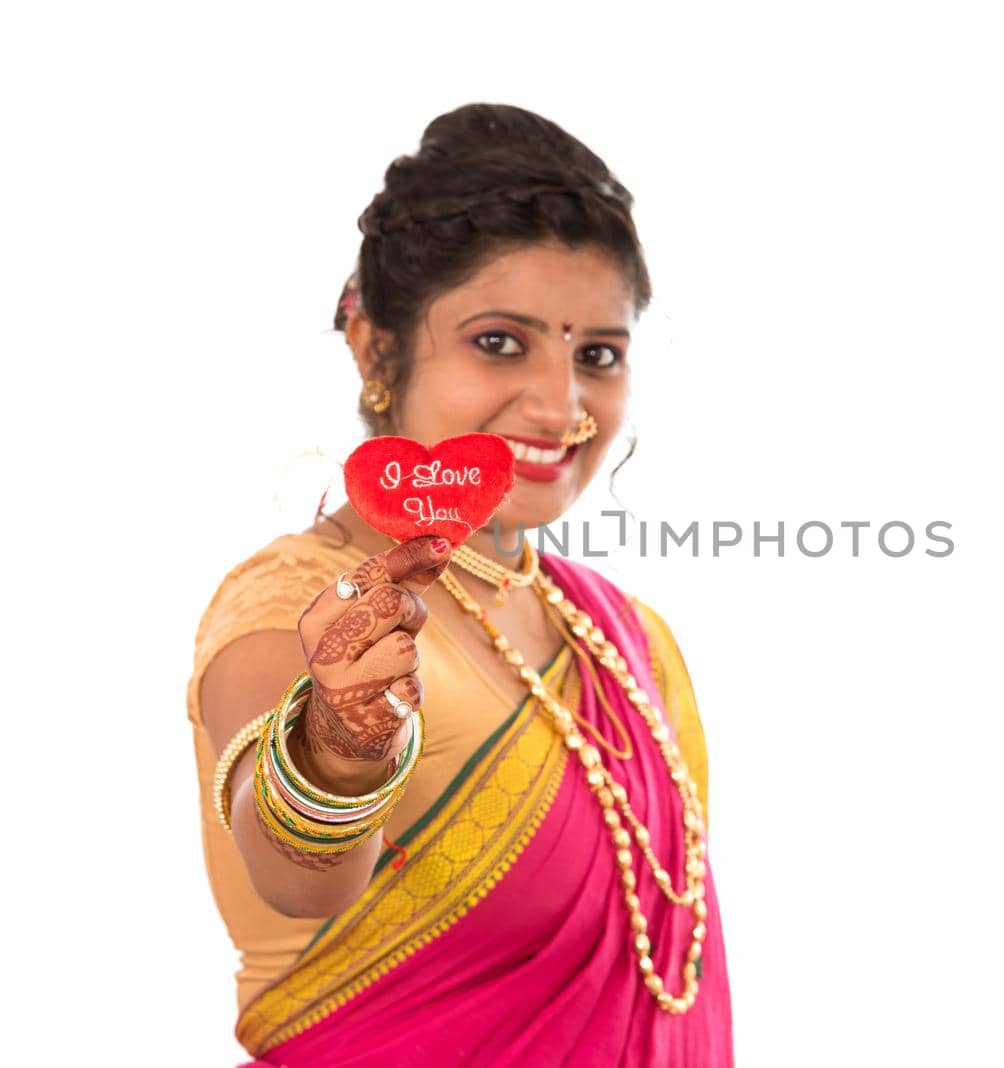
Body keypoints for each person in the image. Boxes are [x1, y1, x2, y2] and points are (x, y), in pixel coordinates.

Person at [185, 103, 732, 1066]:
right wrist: (336, 749)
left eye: (598, 355)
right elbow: (295, 875)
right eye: (499, 341)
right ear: (376, 347)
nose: (561, 406)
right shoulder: (293, 606)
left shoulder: (632, 637)